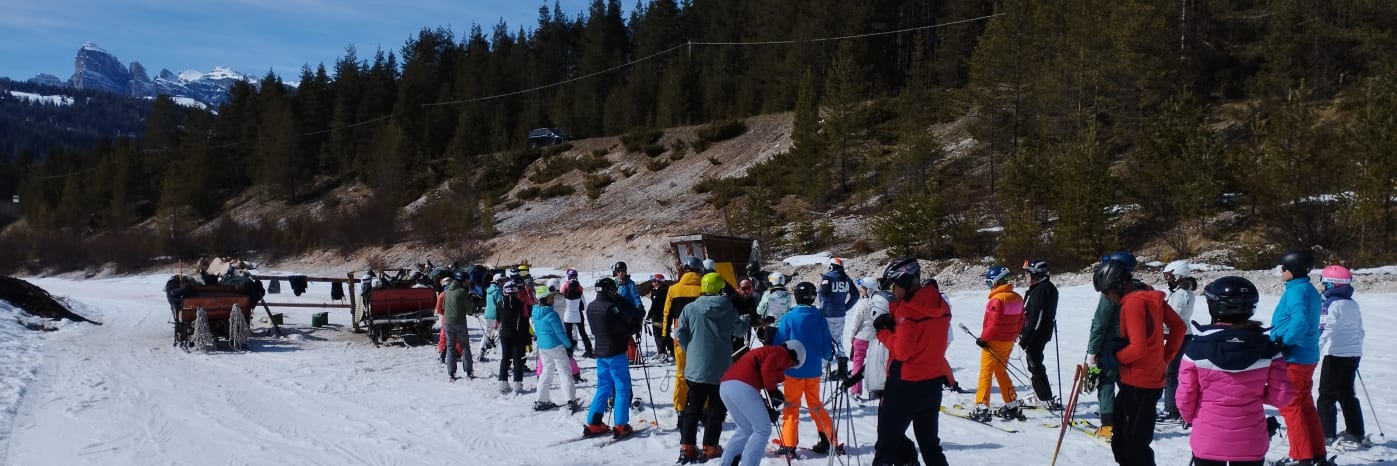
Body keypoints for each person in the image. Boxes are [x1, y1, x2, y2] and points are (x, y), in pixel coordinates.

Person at [1178, 276, 1293, 466]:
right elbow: (1281, 397)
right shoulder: (1267, 348)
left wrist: (1194, 418)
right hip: (1251, 438)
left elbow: (1185, 396)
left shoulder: (1197, 348)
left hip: (1208, 436)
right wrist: (1256, 394)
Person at [857, 257, 953, 466]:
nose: (893, 293)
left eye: (894, 286)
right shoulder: (941, 304)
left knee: (886, 445)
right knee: (930, 446)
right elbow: (923, 330)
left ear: (905, 283)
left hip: (905, 385)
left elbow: (902, 351)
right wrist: (896, 320)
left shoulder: (906, 313)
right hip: (932, 382)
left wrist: (883, 331)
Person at [1095, 258, 1186, 466]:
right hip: (1137, 380)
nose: (1107, 297)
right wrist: (1165, 358)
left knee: (1135, 447)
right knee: (1120, 440)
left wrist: (1113, 359)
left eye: (1106, 291)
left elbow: (1138, 348)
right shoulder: (1147, 296)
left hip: (1141, 383)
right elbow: (1178, 328)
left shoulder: (1134, 302)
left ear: (1117, 285)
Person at [675, 273, 750, 463]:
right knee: (717, 408)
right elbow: (739, 331)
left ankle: (687, 447)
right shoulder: (729, 309)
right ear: (720, 288)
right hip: (721, 368)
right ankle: (709, 447)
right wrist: (746, 320)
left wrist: (689, 350)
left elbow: (680, 333)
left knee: (693, 407)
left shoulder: (690, 309)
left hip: (695, 367)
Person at [1271, 250, 1329, 466]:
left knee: (1290, 406)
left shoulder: (1296, 292)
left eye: (1283, 268)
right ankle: (1316, 452)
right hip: (1306, 354)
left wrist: (1284, 341)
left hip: (1295, 356)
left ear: (1292, 270)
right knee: (1304, 405)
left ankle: (1301, 456)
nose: (1281, 272)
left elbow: (1300, 321)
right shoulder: (1307, 289)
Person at [772, 282, 842, 458]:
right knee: (815, 405)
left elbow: (779, 343)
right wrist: (828, 355)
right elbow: (827, 345)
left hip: (793, 370)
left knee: (791, 407)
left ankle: (788, 445)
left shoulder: (789, 318)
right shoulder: (819, 317)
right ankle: (829, 439)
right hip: (813, 370)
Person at [718, 340, 801, 466]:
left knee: (745, 428)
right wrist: (773, 391)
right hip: (743, 386)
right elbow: (767, 369)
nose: (789, 367)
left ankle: (727, 463)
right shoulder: (779, 352)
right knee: (763, 430)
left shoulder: (766, 352)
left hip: (726, 386)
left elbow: (758, 375)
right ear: (794, 354)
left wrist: (765, 405)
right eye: (793, 364)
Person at [581, 277, 645, 440]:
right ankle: (621, 424)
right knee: (622, 387)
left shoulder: (591, 306)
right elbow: (624, 329)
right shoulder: (611, 308)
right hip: (615, 352)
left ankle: (594, 422)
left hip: (600, 352)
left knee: (603, 387)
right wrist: (635, 325)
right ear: (609, 290)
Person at [1086, 250, 1138, 438]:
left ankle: (1108, 425)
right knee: (1127, 382)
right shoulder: (1138, 288)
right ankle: (1129, 419)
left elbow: (1101, 321)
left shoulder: (1111, 289)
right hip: (1132, 343)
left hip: (1111, 344)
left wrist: (1093, 349)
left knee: (1106, 382)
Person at [1317, 265, 1366, 449]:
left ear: (1331, 285)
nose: (1320, 286)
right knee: (1346, 393)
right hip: (1353, 353)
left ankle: (1325, 434)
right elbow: (1359, 329)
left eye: (1322, 282)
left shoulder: (1331, 305)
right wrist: (1354, 349)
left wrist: (1314, 352)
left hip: (1335, 354)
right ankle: (1355, 431)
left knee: (1326, 395)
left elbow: (1323, 330)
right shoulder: (1352, 303)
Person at [971, 265, 1025, 420]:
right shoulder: (1017, 298)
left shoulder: (997, 300)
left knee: (986, 372)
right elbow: (1021, 320)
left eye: (989, 283)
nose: (989, 287)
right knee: (1001, 371)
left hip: (993, 341)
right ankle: (1012, 403)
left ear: (996, 281)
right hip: (1008, 341)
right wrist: (1014, 335)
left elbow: (993, 324)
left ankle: (982, 407)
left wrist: (983, 339)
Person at [663, 257, 706, 423]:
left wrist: (664, 336)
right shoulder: (704, 288)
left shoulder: (673, 290)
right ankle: (703, 408)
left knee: (681, 374)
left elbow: (666, 314)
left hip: (679, 340)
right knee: (702, 376)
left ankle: (680, 409)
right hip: (702, 340)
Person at [1160, 259, 1197, 422]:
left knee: (1171, 372)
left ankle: (1172, 409)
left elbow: (1176, 318)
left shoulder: (1182, 294)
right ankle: (1173, 406)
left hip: (1180, 336)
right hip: (1178, 335)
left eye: (1170, 276)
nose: (1167, 280)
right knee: (1172, 371)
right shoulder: (1177, 292)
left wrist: (1157, 327)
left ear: (1179, 276)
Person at [1019, 260, 1059, 410]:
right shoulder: (1037, 288)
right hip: (1034, 333)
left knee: (1035, 365)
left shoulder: (1043, 290)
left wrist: (1026, 338)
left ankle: (1045, 398)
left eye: (1027, 273)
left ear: (1036, 274)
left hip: (1036, 335)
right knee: (1033, 365)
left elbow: (1037, 317)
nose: (1025, 276)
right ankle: (1041, 395)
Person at [531, 284, 578, 412]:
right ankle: (571, 400)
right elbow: (560, 334)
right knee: (565, 372)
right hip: (556, 347)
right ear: (543, 299)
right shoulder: (552, 315)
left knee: (546, 372)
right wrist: (569, 345)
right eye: (550, 298)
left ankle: (541, 400)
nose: (553, 299)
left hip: (543, 348)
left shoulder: (535, 312)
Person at [819, 257, 859, 378]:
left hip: (827, 315)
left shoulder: (828, 278)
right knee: (837, 341)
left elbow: (824, 297)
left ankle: (824, 368)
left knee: (824, 341)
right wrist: (845, 307)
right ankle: (842, 366)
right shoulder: (846, 279)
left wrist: (821, 312)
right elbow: (855, 295)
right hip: (840, 315)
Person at [844, 277, 879, 398]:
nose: (861, 290)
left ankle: (856, 390)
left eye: (863, 288)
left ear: (869, 289)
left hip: (861, 337)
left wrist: (851, 336)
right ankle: (874, 390)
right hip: (875, 338)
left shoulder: (863, 304)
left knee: (857, 364)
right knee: (873, 364)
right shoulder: (879, 302)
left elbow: (856, 322)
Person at [495, 279, 530, 394]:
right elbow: (525, 319)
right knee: (517, 359)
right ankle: (517, 383)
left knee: (505, 358)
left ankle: (502, 382)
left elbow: (498, 320)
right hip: (517, 334)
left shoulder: (500, 304)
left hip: (504, 334)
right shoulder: (520, 304)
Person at [439, 276, 475, 380]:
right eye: (466, 282)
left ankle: (451, 373)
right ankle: (468, 371)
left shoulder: (447, 292)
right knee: (465, 346)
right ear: (461, 281)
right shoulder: (462, 292)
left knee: (450, 347)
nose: (467, 284)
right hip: (459, 322)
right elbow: (469, 310)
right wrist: (471, 304)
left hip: (447, 322)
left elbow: (444, 306)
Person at [561, 269, 595, 358]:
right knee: (583, 332)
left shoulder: (565, 286)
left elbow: (561, 295)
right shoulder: (579, 288)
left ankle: (569, 351)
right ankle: (589, 350)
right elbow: (583, 301)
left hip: (568, 314)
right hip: (578, 313)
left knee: (568, 334)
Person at [756, 272, 792, 346]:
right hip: (783, 327)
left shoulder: (768, 294)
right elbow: (788, 309)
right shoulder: (788, 295)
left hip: (770, 326)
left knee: (769, 350)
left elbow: (759, 311)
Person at [728, 279, 760, 358]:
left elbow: (754, 317)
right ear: (738, 289)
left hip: (745, 336)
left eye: (749, 288)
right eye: (744, 288)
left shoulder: (752, 300)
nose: (747, 291)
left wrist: (761, 322)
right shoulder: (732, 301)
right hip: (733, 337)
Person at [646, 273, 672, 362]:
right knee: (665, 334)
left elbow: (654, 306)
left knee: (658, 335)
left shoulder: (659, 292)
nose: (652, 283)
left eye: (654, 281)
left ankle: (662, 352)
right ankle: (672, 350)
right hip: (663, 316)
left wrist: (648, 316)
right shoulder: (664, 291)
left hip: (658, 316)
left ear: (658, 282)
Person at [478, 273, 504, 362]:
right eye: (501, 281)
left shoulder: (490, 290)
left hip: (488, 314)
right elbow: (500, 304)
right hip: (496, 315)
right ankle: (488, 348)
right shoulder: (498, 291)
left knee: (487, 333)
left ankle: (481, 352)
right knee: (498, 334)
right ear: (497, 282)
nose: (503, 283)